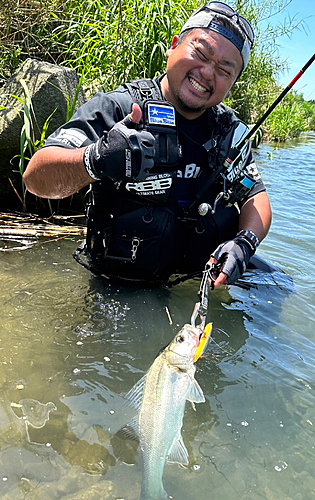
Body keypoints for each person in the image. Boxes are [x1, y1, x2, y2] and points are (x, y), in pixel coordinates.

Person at [23, 1, 272, 287]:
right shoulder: (118, 108)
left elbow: (256, 194)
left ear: (232, 84)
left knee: (278, 285)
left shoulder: (228, 132)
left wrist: (245, 242)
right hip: (123, 284)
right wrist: (97, 158)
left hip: (201, 275)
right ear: (174, 45)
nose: (206, 73)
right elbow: (35, 178)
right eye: (201, 53)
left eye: (224, 70)